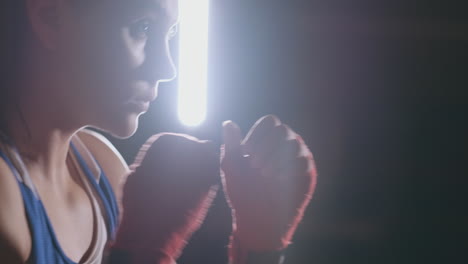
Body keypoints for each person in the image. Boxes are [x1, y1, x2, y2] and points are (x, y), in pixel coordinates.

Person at [0, 0, 317, 263]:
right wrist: (140, 255)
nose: (167, 67)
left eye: (171, 33)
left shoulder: (104, 168)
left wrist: (260, 246)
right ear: (51, 17)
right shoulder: (6, 195)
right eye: (143, 27)